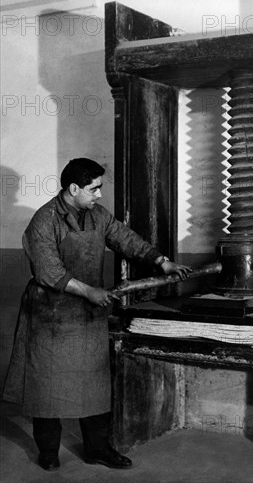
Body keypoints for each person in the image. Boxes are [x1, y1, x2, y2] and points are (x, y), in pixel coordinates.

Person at [2, 158, 191, 471]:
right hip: (51, 319)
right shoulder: (43, 220)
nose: (100, 195)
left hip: (88, 319)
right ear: (74, 188)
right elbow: (49, 271)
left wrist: (161, 261)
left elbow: (125, 239)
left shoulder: (97, 215)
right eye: (95, 188)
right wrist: (89, 291)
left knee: (94, 389)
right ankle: (48, 452)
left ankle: (98, 449)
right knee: (46, 392)